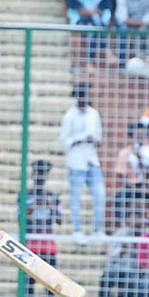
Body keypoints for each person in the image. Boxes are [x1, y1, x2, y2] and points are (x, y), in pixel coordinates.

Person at [59, 83, 104, 238]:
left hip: (92, 159)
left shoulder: (94, 114)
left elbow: (99, 136)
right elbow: (64, 141)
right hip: (76, 161)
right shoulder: (69, 116)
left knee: (100, 194)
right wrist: (80, 139)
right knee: (76, 197)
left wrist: (93, 140)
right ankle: (77, 229)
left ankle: (97, 229)